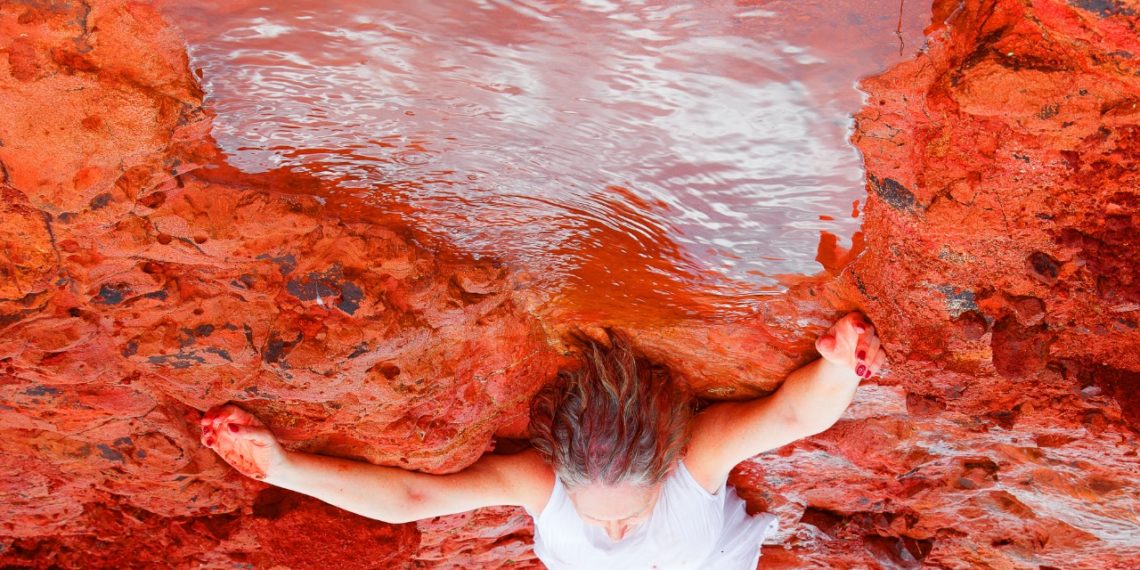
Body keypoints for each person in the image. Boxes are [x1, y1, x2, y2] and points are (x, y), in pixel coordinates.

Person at [200, 312, 886, 569]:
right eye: (603, 515)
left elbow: (788, 418)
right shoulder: (542, 485)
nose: (614, 533)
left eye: (626, 514)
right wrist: (283, 468)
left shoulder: (691, 465)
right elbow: (415, 497)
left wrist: (838, 366)